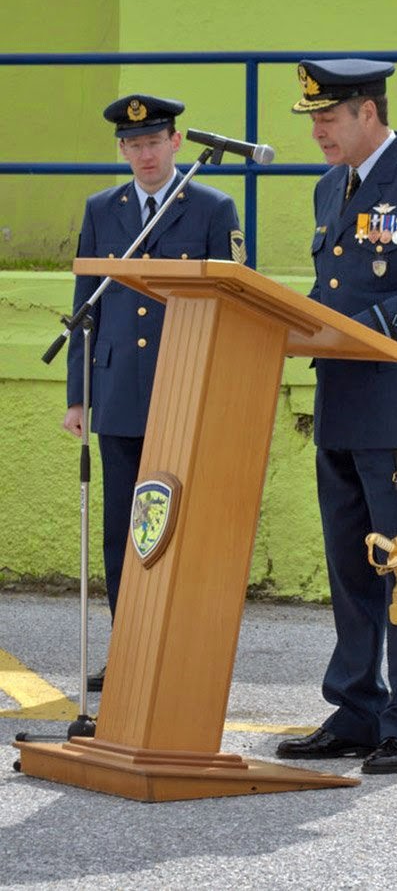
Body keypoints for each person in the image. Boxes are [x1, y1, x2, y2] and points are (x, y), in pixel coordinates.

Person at [276, 60, 397, 774]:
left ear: (368, 110)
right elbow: (335, 284)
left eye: (328, 116)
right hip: (342, 403)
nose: (319, 130)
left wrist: (368, 328)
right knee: (351, 569)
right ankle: (356, 709)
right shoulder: (332, 187)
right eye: (314, 118)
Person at [63, 94, 244, 691]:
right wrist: (78, 395)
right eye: (133, 145)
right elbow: (83, 308)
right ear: (122, 150)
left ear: (176, 143)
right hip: (117, 392)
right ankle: (129, 649)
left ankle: (183, 651)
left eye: (154, 142)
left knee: (183, 525)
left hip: (185, 385)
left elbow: (234, 305)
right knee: (125, 528)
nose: (144, 153)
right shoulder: (102, 209)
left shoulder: (214, 207)